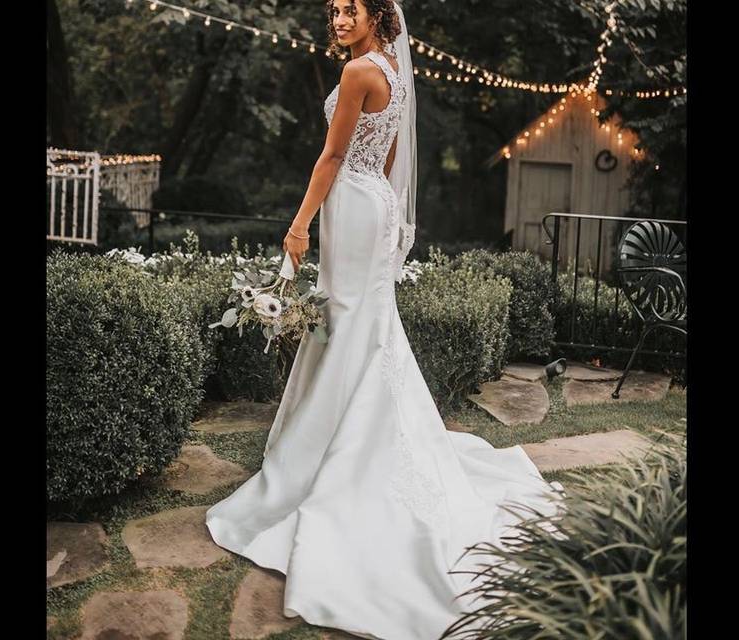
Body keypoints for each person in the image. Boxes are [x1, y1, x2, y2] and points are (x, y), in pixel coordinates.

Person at [206, 2, 563, 638]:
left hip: (348, 201)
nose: (339, 18)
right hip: (374, 204)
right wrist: (387, 217)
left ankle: (333, 452)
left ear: (377, 15)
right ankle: (346, 432)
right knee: (359, 324)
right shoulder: (391, 71)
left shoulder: (355, 75)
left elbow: (331, 158)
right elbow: (389, 154)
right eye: (334, 9)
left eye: (351, 9)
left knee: (347, 323)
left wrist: (298, 227)